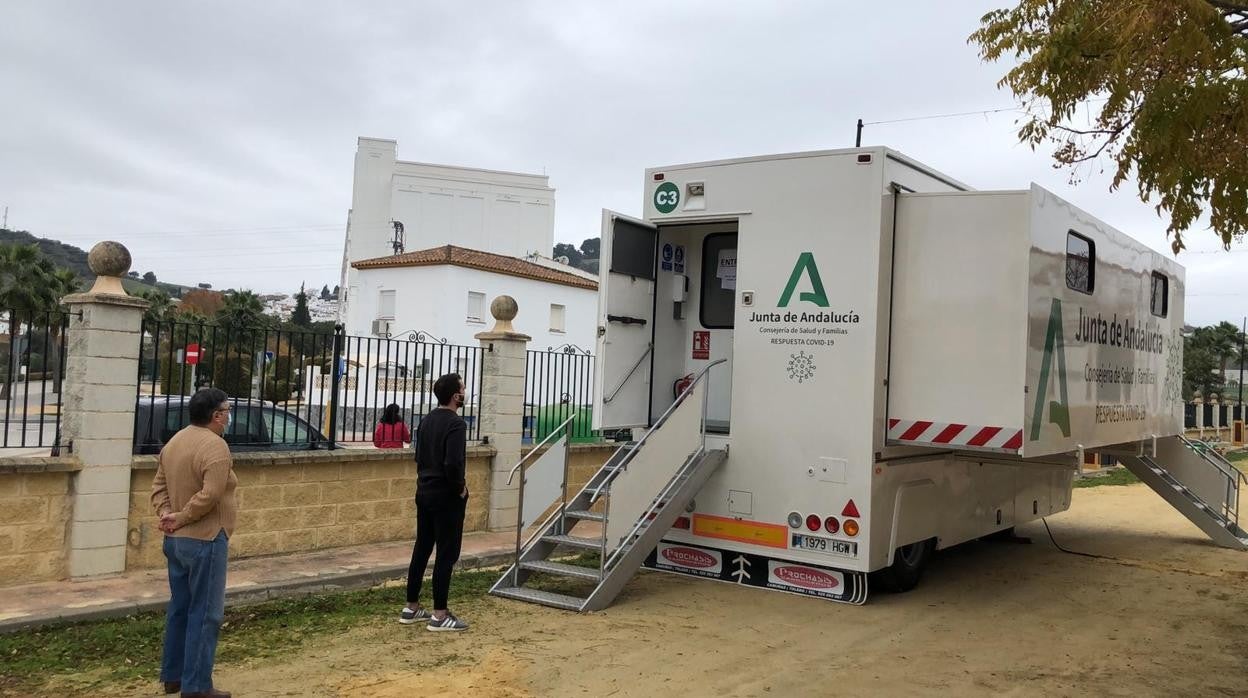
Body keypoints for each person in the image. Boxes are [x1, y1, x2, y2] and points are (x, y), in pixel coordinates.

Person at [151, 388, 237, 698]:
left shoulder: (175, 441)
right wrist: (182, 516)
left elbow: (158, 486)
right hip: (206, 539)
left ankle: (173, 676)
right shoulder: (215, 447)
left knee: (181, 608)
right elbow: (211, 494)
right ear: (216, 416)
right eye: (226, 410)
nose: (229, 416)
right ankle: (197, 686)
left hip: (176, 542)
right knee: (205, 613)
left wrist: (166, 514)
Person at [400, 373, 470, 631]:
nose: (465, 392)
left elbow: (419, 457)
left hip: (424, 492)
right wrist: (460, 489)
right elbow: (453, 463)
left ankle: (411, 607)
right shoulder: (456, 425)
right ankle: (440, 615)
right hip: (446, 497)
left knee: (422, 548)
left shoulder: (426, 421)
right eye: (462, 388)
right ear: (455, 396)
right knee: (446, 553)